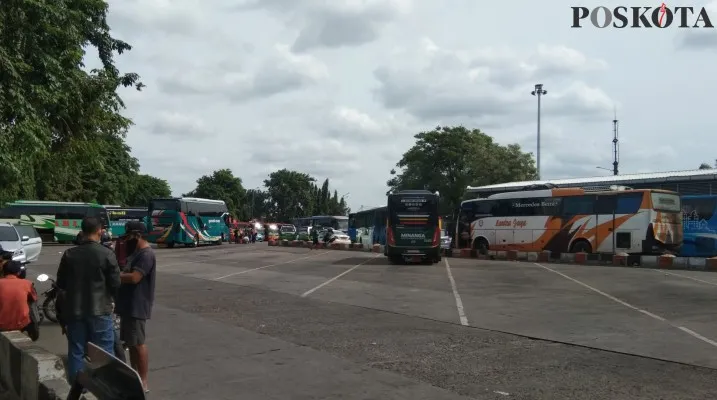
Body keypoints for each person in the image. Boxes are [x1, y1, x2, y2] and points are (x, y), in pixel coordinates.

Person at [56, 217, 121, 385]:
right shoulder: (107, 254)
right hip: (100, 310)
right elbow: (115, 284)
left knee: (76, 350)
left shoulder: (69, 254)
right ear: (100, 231)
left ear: (82, 231)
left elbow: (61, 284)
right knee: (104, 352)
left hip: (75, 311)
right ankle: (105, 387)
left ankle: (78, 389)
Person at [117, 221, 156, 393]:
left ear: (138, 235)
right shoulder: (136, 253)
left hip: (137, 305)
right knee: (131, 343)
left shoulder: (146, 254)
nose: (127, 241)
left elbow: (134, 277)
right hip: (128, 304)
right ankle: (135, 377)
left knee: (138, 343)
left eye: (129, 237)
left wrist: (115, 276)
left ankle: (143, 381)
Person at [0, 259, 39, 341]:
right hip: (22, 323)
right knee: (31, 305)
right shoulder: (27, 283)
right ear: (18, 272)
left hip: (2, 324)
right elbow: (34, 299)